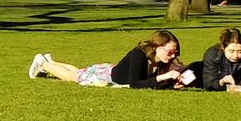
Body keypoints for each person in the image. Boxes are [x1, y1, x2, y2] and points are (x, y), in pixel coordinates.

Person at [29, 30, 185, 88]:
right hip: (105, 75)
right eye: (170, 52)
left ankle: (51, 61)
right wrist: (164, 77)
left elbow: (150, 82)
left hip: (109, 70)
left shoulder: (162, 61)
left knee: (78, 71)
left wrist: (172, 84)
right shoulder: (139, 55)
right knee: (72, 77)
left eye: (175, 52)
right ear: (157, 46)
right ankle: (43, 63)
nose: (173, 56)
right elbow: (135, 84)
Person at [187, 28, 241, 93]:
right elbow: (208, 84)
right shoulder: (212, 55)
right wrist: (222, 81)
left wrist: (240, 88)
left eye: (240, 51)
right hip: (195, 75)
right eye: (231, 51)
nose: (236, 55)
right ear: (223, 47)